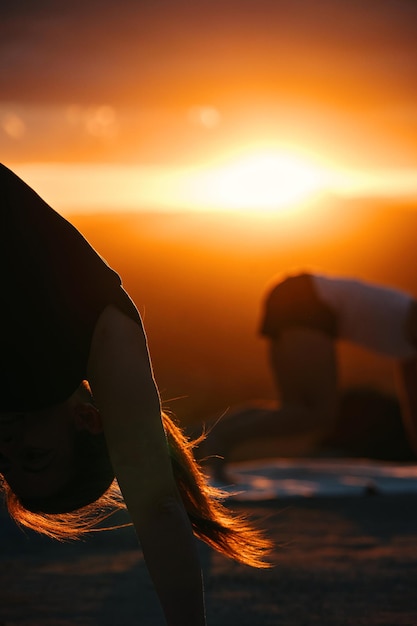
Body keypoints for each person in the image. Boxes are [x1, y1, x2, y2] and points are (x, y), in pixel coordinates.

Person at [0, 163, 272, 626]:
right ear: (87, 420)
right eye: (35, 456)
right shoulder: (98, 329)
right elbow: (155, 503)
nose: (8, 444)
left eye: (6, 462)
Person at [199, 271, 417, 481]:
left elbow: (412, 406)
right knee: (318, 413)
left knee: (294, 408)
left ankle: (196, 437)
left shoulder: (409, 352)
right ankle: (222, 438)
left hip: (293, 293)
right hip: (310, 301)